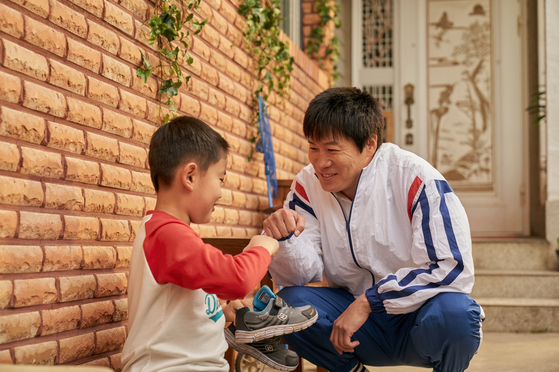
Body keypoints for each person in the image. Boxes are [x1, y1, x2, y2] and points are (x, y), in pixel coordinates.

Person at [263, 87, 485, 372]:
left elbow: (452, 267)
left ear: (369, 146)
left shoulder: (415, 178)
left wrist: (370, 302)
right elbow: (301, 276)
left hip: (416, 320)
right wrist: (285, 240)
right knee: (288, 306)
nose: (320, 162)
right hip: (354, 330)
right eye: (313, 148)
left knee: (457, 315)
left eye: (332, 149)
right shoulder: (306, 185)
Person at [121, 116, 285, 372]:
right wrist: (262, 246)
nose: (221, 191)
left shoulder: (168, 233)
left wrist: (222, 314)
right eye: (220, 179)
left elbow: (176, 316)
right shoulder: (167, 235)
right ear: (190, 176)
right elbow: (238, 279)